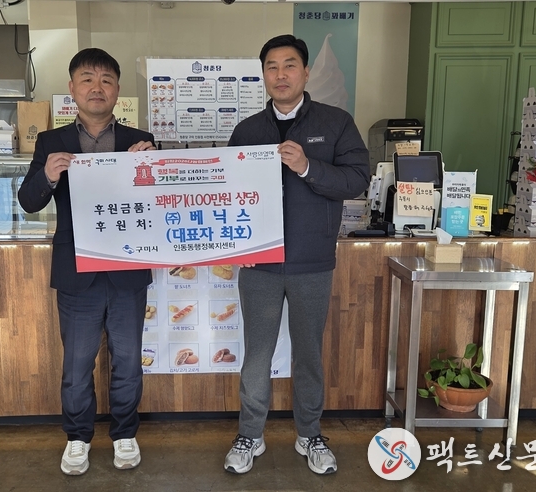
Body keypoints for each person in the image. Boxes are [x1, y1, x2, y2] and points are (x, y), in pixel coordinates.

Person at [223, 34, 370, 475]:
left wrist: (307, 167)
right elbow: (228, 192)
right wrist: (236, 244)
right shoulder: (248, 130)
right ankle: (251, 435)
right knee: (257, 356)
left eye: (289, 65)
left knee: (308, 353)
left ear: (305, 73)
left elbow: (357, 179)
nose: (281, 74)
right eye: (271, 66)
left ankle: (310, 434)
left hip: (312, 261)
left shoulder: (336, 122)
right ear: (263, 75)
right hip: (259, 263)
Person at [18, 48, 155, 475]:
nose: (97, 87)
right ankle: (77, 438)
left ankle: (125, 433)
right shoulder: (51, 142)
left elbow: (161, 203)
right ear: (73, 88)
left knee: (128, 362)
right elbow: (28, 201)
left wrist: (153, 168)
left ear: (117, 90)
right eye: (88, 79)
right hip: (77, 273)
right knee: (77, 366)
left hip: (128, 269)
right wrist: (48, 175)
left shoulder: (139, 139)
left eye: (106, 80)